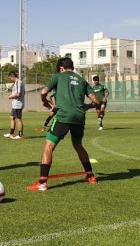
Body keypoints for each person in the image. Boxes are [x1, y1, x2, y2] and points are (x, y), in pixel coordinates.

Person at [28, 57, 100, 191]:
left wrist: (44, 101)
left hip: (63, 116)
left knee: (48, 146)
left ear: (61, 68)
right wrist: (87, 106)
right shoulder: (82, 80)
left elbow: (43, 92)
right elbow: (97, 100)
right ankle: (90, 176)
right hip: (79, 117)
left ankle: (42, 182)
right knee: (78, 145)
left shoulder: (58, 76)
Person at [3, 71, 25, 139]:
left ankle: (20, 135)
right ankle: (11, 133)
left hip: (18, 104)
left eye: (10, 78)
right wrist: (12, 95)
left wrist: (11, 96)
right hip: (15, 104)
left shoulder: (18, 82)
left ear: (12, 76)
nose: (10, 80)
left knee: (18, 119)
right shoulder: (16, 83)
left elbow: (18, 94)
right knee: (12, 117)